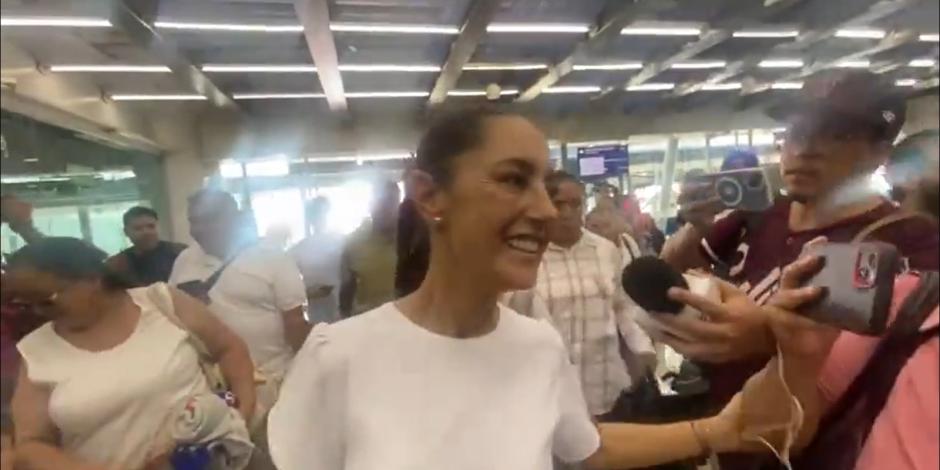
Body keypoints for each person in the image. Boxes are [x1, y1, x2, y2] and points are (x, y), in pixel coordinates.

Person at [266, 107, 822, 470]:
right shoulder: (340, 358)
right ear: (430, 196)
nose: (541, 208)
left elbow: (588, 448)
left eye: (545, 184)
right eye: (513, 180)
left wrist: (718, 430)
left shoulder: (536, 346)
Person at [656, 70, 940, 468]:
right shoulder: (756, 216)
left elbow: (896, 369)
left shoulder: (909, 242)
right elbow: (668, 271)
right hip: (731, 438)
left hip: (823, 451)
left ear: (880, 151)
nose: (805, 148)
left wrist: (769, 336)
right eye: (796, 131)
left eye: (835, 134)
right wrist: (693, 227)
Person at [6, 237, 256, 469]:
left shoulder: (161, 303)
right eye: (26, 304)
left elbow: (229, 349)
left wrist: (239, 419)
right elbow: (32, 444)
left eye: (47, 300)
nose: (38, 312)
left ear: (91, 279)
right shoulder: (37, 350)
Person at [168, 189, 308, 463]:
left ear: (234, 218)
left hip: (270, 387)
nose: (199, 229)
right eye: (194, 221)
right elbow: (174, 315)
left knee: (274, 458)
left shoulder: (273, 258)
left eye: (209, 219)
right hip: (210, 394)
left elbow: (295, 325)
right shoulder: (185, 261)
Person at [512, 171, 655, 419]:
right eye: (558, 204)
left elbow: (624, 309)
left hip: (607, 390)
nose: (567, 213)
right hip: (548, 396)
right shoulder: (525, 256)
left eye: (575, 204)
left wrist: (644, 351)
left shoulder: (605, 251)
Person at [339, 180, 400, 317]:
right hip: (368, 325)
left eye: (390, 202)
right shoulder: (354, 243)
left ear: (398, 204)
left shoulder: (415, 240)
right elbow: (346, 294)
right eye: (380, 202)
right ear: (371, 206)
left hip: (409, 326)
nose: (385, 208)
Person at [290, 197, 344, 324]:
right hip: (317, 317)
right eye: (317, 213)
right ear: (310, 218)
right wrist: (309, 293)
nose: (321, 217)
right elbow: (290, 287)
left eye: (324, 213)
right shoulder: (298, 249)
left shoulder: (342, 241)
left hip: (344, 312)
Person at [105, 206, 186, 287]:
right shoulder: (116, 266)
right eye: (138, 228)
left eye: (151, 226)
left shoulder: (181, 253)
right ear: (126, 232)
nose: (146, 232)